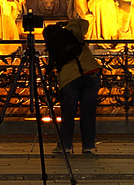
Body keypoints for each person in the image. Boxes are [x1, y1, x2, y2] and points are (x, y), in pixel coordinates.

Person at [43, 17, 100, 156]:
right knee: (88, 112)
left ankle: (65, 146)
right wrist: (69, 24)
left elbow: (53, 68)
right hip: (90, 72)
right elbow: (84, 22)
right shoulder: (72, 32)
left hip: (69, 78)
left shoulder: (52, 47)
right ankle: (88, 146)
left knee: (68, 114)